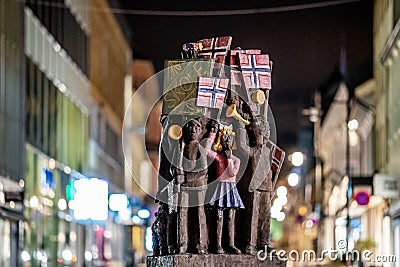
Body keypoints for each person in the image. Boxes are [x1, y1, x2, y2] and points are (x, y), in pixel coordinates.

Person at [204, 120, 244, 254]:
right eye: (225, 139)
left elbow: (232, 172)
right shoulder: (219, 157)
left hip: (231, 188)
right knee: (219, 217)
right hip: (221, 188)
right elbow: (206, 150)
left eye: (229, 140)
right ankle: (217, 244)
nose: (227, 142)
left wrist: (228, 159)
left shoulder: (235, 159)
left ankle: (231, 244)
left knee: (230, 217)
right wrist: (212, 133)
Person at [237, 114, 273, 255]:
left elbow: (268, 171)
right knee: (252, 216)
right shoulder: (254, 150)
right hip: (254, 186)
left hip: (266, 187)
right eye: (257, 133)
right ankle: (250, 244)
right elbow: (241, 145)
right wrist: (240, 126)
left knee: (265, 216)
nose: (260, 136)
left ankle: (263, 243)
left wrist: (271, 189)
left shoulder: (267, 150)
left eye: (262, 133)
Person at [172, 118, 208, 254]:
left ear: (199, 132)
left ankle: (199, 243)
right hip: (184, 187)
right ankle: (183, 242)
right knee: (183, 213)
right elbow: (174, 167)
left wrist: (186, 178)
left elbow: (203, 170)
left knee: (198, 212)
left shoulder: (200, 148)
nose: (192, 130)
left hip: (197, 185)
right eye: (190, 128)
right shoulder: (181, 148)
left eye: (195, 128)